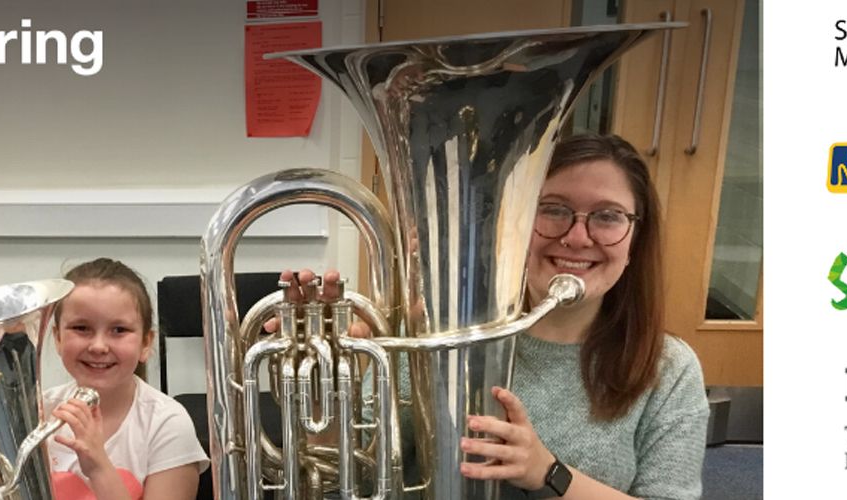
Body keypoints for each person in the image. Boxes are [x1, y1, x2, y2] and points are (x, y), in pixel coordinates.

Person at [274, 134, 708, 499]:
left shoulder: (669, 368)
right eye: (553, 209)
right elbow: (358, 481)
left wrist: (549, 474)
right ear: (516, 223)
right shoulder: (434, 334)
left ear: (635, 240)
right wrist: (325, 409)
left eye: (608, 216)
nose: (577, 237)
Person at [0, 258, 208, 500]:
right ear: (57, 338)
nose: (99, 346)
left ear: (146, 344)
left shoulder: (167, 424)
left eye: (119, 330)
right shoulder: (36, 413)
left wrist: (98, 466)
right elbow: (3, 493)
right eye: (81, 328)